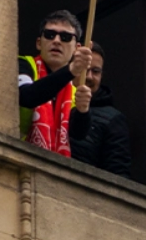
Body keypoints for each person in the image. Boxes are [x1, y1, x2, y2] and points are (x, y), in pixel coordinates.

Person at [17, 10, 93, 157]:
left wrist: (84, 111)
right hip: (18, 160)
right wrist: (71, 70)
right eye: (50, 35)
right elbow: (27, 95)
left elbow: (78, 134)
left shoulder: (73, 90)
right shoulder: (24, 64)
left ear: (77, 48)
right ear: (39, 43)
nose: (57, 40)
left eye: (65, 37)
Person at [68, 43, 132, 177]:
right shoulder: (53, 101)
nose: (89, 77)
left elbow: (118, 176)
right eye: (84, 69)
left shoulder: (113, 119)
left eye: (96, 71)